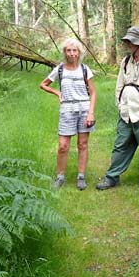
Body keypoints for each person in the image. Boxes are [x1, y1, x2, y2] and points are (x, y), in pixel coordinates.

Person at [96, 26, 139, 190]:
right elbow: (119, 84)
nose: (127, 44)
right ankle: (112, 177)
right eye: (127, 40)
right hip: (126, 113)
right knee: (120, 145)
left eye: (130, 41)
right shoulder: (126, 61)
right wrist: (120, 105)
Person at [40, 38, 96, 190]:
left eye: (75, 50)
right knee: (63, 146)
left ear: (79, 53)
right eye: (69, 50)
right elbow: (43, 84)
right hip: (67, 110)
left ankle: (81, 176)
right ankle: (60, 177)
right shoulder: (60, 69)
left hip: (84, 109)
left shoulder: (85, 69)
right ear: (64, 52)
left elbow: (93, 92)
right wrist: (57, 92)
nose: (72, 53)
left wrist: (91, 113)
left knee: (82, 144)